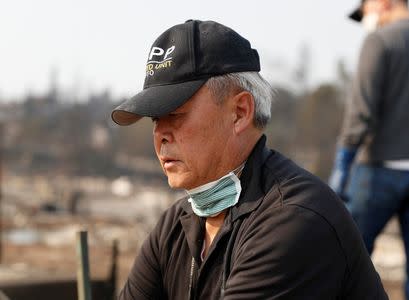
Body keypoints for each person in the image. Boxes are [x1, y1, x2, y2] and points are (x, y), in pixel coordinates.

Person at [112, 19, 387, 299]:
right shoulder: (175, 226)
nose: (160, 134)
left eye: (175, 114)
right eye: (156, 119)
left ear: (240, 112)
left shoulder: (293, 219)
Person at [329, 1, 409, 299]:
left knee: (343, 259)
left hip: (379, 173)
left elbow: (361, 112)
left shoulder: (380, 41)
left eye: (366, 11)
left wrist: (341, 167)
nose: (367, 20)